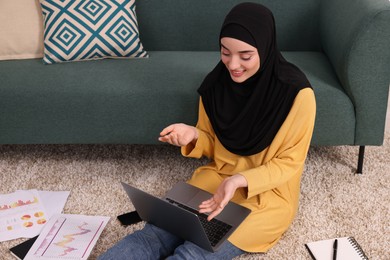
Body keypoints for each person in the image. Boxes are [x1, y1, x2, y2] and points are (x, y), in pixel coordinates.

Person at [99, 2, 316, 259]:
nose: (233, 65)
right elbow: (214, 143)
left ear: (266, 48)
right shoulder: (215, 87)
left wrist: (239, 180)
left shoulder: (297, 95)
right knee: (152, 236)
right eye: (225, 52)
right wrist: (193, 135)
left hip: (267, 197)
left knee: (193, 254)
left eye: (245, 56)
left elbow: (289, 163)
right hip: (216, 182)